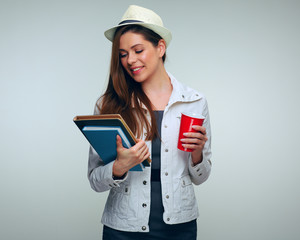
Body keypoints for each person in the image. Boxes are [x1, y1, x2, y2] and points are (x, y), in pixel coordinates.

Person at [88, 5, 212, 240]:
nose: (130, 60)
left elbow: (201, 177)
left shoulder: (195, 101)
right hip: (123, 228)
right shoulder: (108, 105)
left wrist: (197, 154)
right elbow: (95, 180)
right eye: (123, 54)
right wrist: (119, 167)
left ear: (160, 47)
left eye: (138, 50)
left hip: (180, 227)